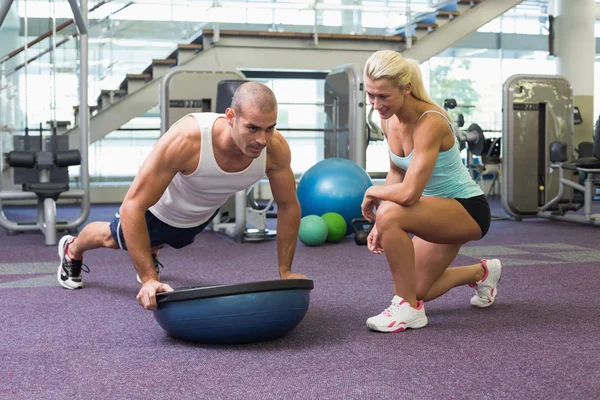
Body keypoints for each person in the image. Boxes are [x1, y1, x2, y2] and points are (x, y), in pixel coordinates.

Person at [57, 82, 307, 310]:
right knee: (111, 237)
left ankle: (152, 249)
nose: (261, 140)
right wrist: (149, 280)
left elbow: (288, 206)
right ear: (230, 117)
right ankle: (72, 249)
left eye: (269, 128)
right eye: (252, 128)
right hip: (155, 211)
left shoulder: (275, 149)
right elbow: (131, 207)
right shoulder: (187, 140)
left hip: (198, 216)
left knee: (161, 240)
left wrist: (285, 270)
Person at [360, 50, 501, 333]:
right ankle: (483, 272)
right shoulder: (388, 119)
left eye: (383, 96)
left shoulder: (431, 122)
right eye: (371, 95)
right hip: (434, 209)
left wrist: (374, 195)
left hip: (466, 209)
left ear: (406, 88)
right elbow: (397, 172)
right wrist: (381, 223)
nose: (376, 105)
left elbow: (410, 195)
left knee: (392, 217)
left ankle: (407, 309)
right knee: (418, 288)